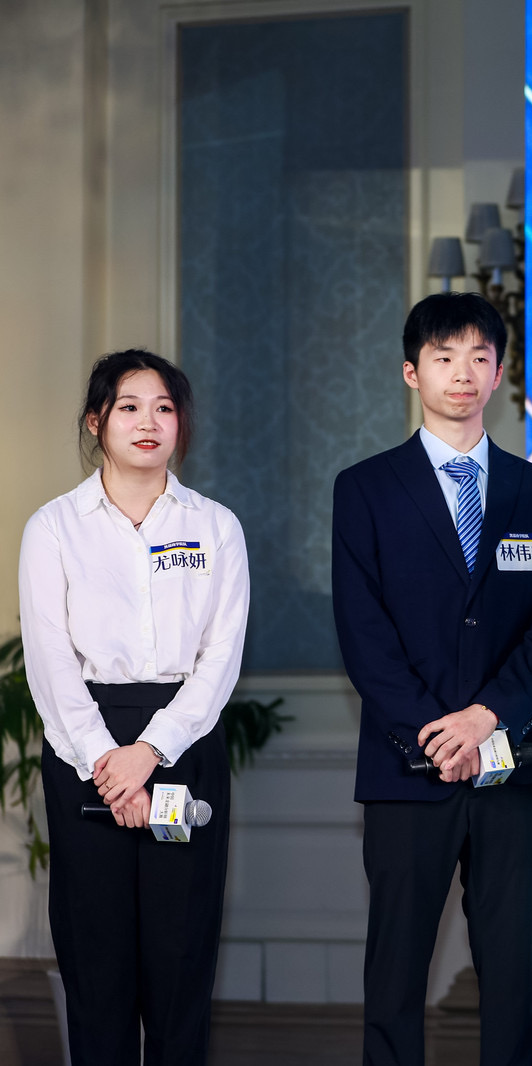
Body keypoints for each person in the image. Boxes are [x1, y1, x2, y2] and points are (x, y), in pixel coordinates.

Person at [331, 292, 532, 1065]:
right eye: (443, 357)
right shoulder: (366, 489)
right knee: (396, 973)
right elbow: (363, 634)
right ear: (412, 372)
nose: (462, 373)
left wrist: (487, 718)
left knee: (510, 975)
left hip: (514, 767)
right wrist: (438, 731)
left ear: (499, 372)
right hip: (409, 768)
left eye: (479, 356)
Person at [19, 349, 249, 1065]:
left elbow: (220, 660)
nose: (149, 422)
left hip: (183, 746)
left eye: (165, 407)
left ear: (181, 424)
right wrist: (107, 764)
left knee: (182, 964)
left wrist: (149, 752)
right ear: (96, 421)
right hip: (83, 753)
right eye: (129, 406)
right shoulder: (53, 528)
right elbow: (51, 662)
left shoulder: (215, 527)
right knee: (97, 962)